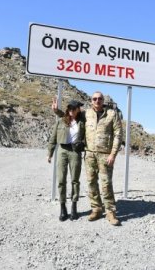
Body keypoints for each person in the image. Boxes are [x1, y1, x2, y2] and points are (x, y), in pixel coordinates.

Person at [52, 91, 122, 226]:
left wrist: (113, 154)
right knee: (91, 182)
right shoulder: (86, 114)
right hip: (89, 154)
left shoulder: (112, 114)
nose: (97, 101)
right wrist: (57, 111)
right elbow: (70, 117)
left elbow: (118, 135)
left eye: (100, 99)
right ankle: (96, 208)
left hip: (105, 154)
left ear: (103, 100)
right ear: (91, 101)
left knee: (106, 183)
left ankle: (110, 211)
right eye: (94, 99)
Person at [47, 100, 85, 221]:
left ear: (78, 109)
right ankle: (63, 208)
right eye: (70, 109)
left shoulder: (83, 121)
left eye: (75, 109)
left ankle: (74, 207)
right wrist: (50, 153)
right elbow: (53, 137)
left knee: (75, 180)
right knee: (61, 180)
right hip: (62, 150)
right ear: (68, 109)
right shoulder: (61, 121)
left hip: (75, 151)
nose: (72, 111)